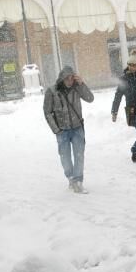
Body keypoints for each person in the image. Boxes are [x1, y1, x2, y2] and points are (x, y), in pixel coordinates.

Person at [43, 66, 94, 194]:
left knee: (79, 156)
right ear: (62, 78)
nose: (70, 81)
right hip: (62, 131)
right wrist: (56, 130)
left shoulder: (77, 88)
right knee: (65, 157)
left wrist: (82, 84)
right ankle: (70, 178)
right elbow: (47, 112)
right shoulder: (52, 91)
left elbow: (90, 98)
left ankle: (78, 181)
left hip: (77, 128)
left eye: (72, 78)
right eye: (67, 78)